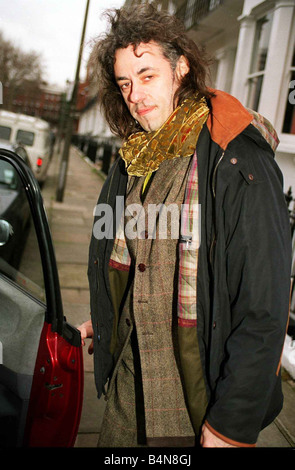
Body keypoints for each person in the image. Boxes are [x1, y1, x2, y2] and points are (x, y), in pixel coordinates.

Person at [78, 4, 291, 448]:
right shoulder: (133, 159)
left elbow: (264, 307)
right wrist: (109, 315)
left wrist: (231, 424)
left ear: (181, 67)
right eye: (125, 83)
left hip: (192, 401)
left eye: (147, 75)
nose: (135, 93)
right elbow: (132, 262)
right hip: (125, 390)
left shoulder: (237, 160)